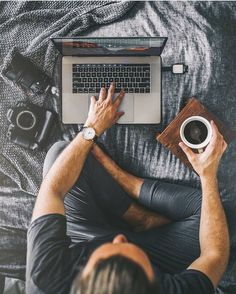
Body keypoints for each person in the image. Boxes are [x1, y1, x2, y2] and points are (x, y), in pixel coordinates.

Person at [26, 83, 229, 294]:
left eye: (111, 250)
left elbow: (52, 190)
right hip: (160, 257)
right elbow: (214, 255)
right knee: (213, 211)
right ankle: (144, 220)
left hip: (85, 237)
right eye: (125, 247)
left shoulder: (45, 278)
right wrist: (207, 174)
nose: (120, 239)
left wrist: (92, 129)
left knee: (59, 154)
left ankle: (137, 216)